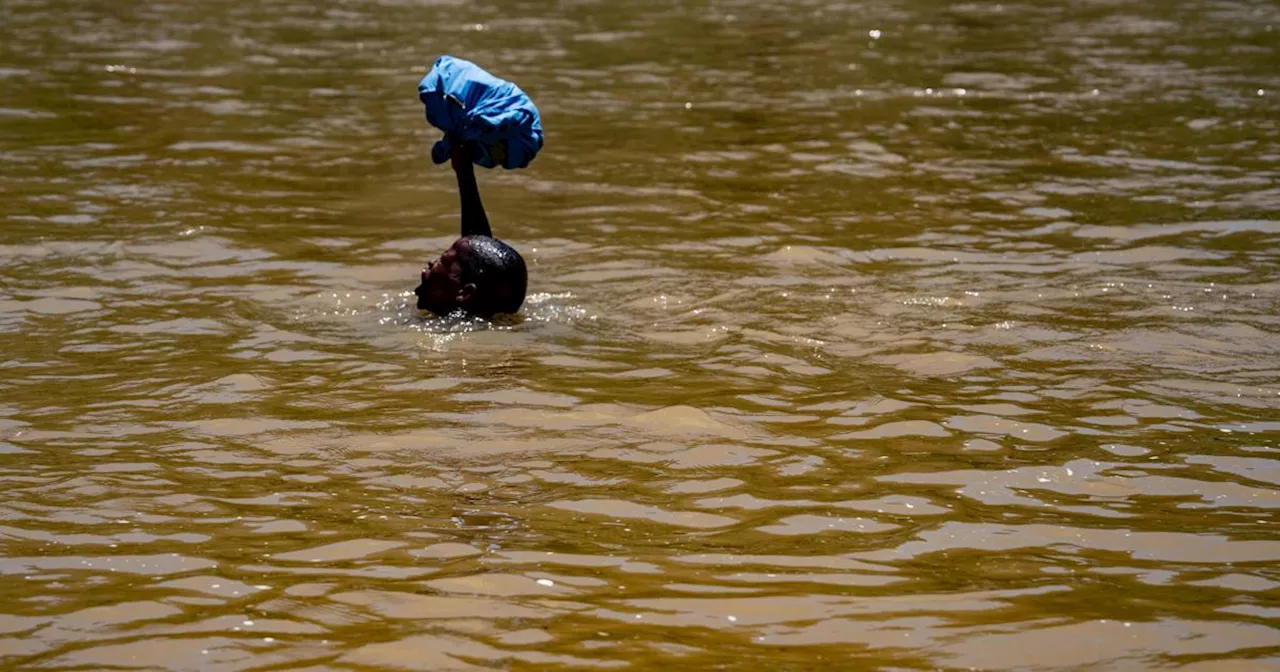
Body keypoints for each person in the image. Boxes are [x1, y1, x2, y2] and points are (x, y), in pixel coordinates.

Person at [414, 139, 527, 318]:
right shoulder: (474, 313)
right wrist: (464, 171)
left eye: (443, 261)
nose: (429, 265)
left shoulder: (445, 337)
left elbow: (475, 258)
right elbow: (477, 251)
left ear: (464, 293)